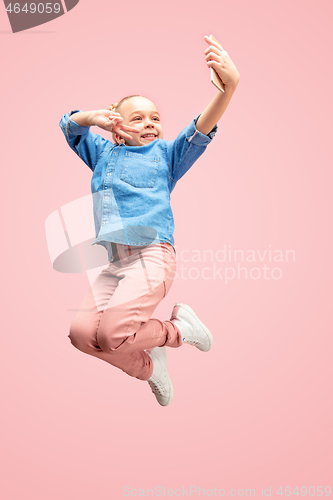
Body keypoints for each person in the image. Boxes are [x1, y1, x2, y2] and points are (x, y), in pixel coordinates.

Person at [59, 35, 240, 406]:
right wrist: (92, 118)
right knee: (81, 335)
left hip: (153, 255)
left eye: (155, 118)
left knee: (110, 336)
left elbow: (200, 130)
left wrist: (228, 89)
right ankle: (150, 366)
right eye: (137, 118)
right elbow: (69, 127)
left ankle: (177, 331)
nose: (150, 124)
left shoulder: (165, 157)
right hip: (116, 262)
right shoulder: (102, 153)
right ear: (115, 124)